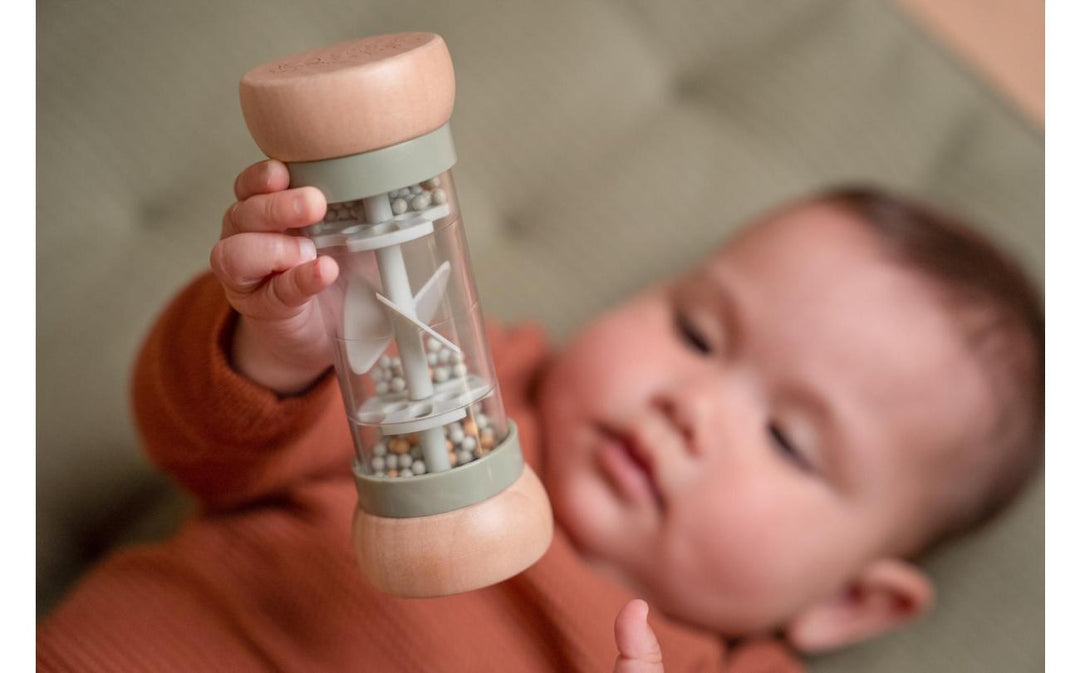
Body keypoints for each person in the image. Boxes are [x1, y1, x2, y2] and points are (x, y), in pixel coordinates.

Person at [37, 160, 1043, 672]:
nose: (690, 405)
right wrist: (281, 349)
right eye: (697, 332)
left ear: (852, 604)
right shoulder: (459, 379)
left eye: (788, 438)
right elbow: (199, 445)